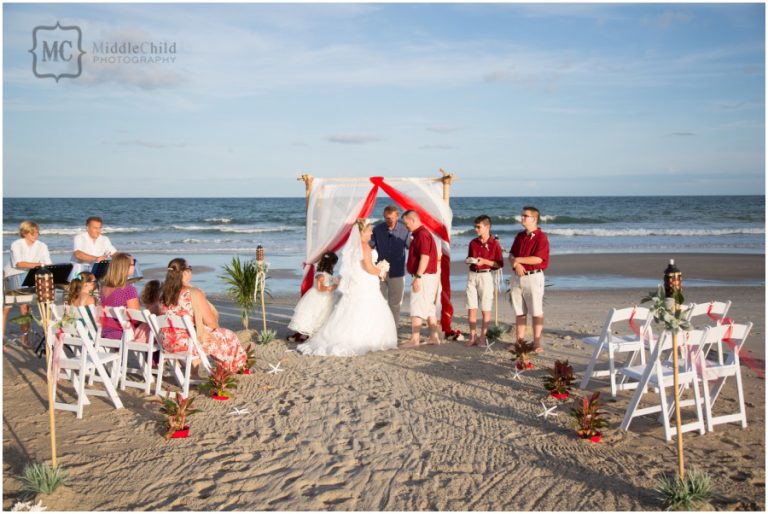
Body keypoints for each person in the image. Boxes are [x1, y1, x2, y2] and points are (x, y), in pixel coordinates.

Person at [297, 220, 397, 357]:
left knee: (352, 308)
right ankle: (366, 339)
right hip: (365, 282)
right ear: (362, 232)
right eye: (369, 230)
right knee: (368, 307)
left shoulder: (354, 247)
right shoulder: (364, 246)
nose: (371, 232)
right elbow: (368, 267)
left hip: (357, 281)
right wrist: (381, 272)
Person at [160, 258, 247, 370]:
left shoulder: (162, 294)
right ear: (185, 272)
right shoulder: (193, 293)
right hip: (187, 345)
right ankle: (234, 369)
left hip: (167, 343)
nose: (191, 271)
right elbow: (211, 323)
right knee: (229, 335)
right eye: (190, 268)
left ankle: (195, 371)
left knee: (212, 335)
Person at [3, 221, 53, 344]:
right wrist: (39, 264)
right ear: (24, 233)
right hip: (13, 274)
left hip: (31, 275)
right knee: (6, 308)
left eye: (37, 233)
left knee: (26, 306)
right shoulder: (16, 244)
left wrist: (41, 266)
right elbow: (19, 263)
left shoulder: (42, 245)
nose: (35, 235)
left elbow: (48, 263)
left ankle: (25, 337)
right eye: (32, 233)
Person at [508, 206, 550, 353]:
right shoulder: (519, 236)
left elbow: (538, 259)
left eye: (525, 216)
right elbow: (511, 255)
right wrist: (516, 263)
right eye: (522, 216)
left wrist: (518, 260)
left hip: (533, 277)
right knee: (519, 311)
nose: (522, 218)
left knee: (536, 310)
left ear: (534, 219)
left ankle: (536, 342)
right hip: (516, 277)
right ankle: (519, 341)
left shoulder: (541, 237)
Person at [402, 210, 441, 347]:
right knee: (429, 307)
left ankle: (415, 339)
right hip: (428, 276)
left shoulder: (422, 235)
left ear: (413, 220)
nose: (405, 226)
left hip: (423, 276)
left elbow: (425, 257)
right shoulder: (420, 234)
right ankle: (434, 337)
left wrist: (417, 277)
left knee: (416, 307)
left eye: (406, 223)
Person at [465, 215, 504, 347]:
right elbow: (469, 257)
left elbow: (499, 264)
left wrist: (485, 261)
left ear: (487, 227)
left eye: (478, 227)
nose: (476, 229)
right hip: (472, 274)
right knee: (471, 307)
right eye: (475, 227)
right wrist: (468, 260)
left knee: (485, 308)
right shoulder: (473, 242)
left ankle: (482, 337)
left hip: (486, 276)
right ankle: (472, 336)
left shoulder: (495, 244)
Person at [370, 205, 410, 324]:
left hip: (397, 272)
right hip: (380, 272)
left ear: (397, 216)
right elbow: (370, 246)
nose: (390, 220)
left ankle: (393, 329)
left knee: (395, 304)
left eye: (392, 218)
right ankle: (381, 327)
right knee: (380, 302)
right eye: (387, 218)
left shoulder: (405, 230)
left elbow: (411, 247)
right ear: (384, 216)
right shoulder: (377, 229)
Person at [288, 252, 339, 342]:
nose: (334, 266)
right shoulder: (321, 274)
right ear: (331, 263)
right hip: (318, 298)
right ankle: (305, 335)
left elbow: (330, 283)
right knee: (314, 315)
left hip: (326, 297)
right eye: (334, 263)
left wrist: (335, 283)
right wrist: (332, 287)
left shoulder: (327, 274)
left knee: (320, 315)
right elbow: (320, 288)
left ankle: (306, 336)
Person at [99, 252, 141, 340]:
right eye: (133, 263)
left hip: (105, 331)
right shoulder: (128, 290)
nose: (135, 266)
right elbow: (136, 318)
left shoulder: (103, 287)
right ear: (126, 267)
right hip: (122, 333)